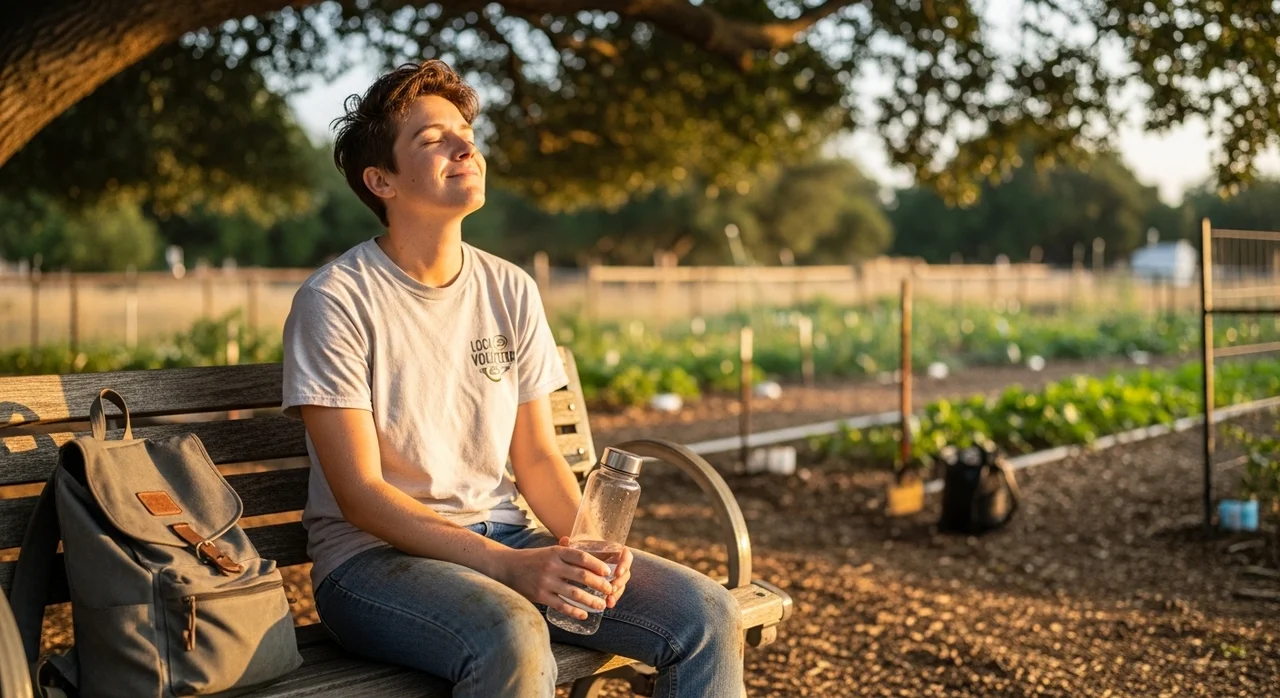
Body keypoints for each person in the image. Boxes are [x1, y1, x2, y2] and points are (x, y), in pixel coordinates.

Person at [281, 60, 744, 697]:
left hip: (505, 536)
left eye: (465, 131)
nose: (464, 145)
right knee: (515, 633)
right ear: (380, 180)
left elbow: (535, 456)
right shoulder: (336, 300)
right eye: (431, 139)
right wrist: (511, 567)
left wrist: (587, 551)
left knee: (704, 614)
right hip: (373, 564)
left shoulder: (510, 288)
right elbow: (359, 493)